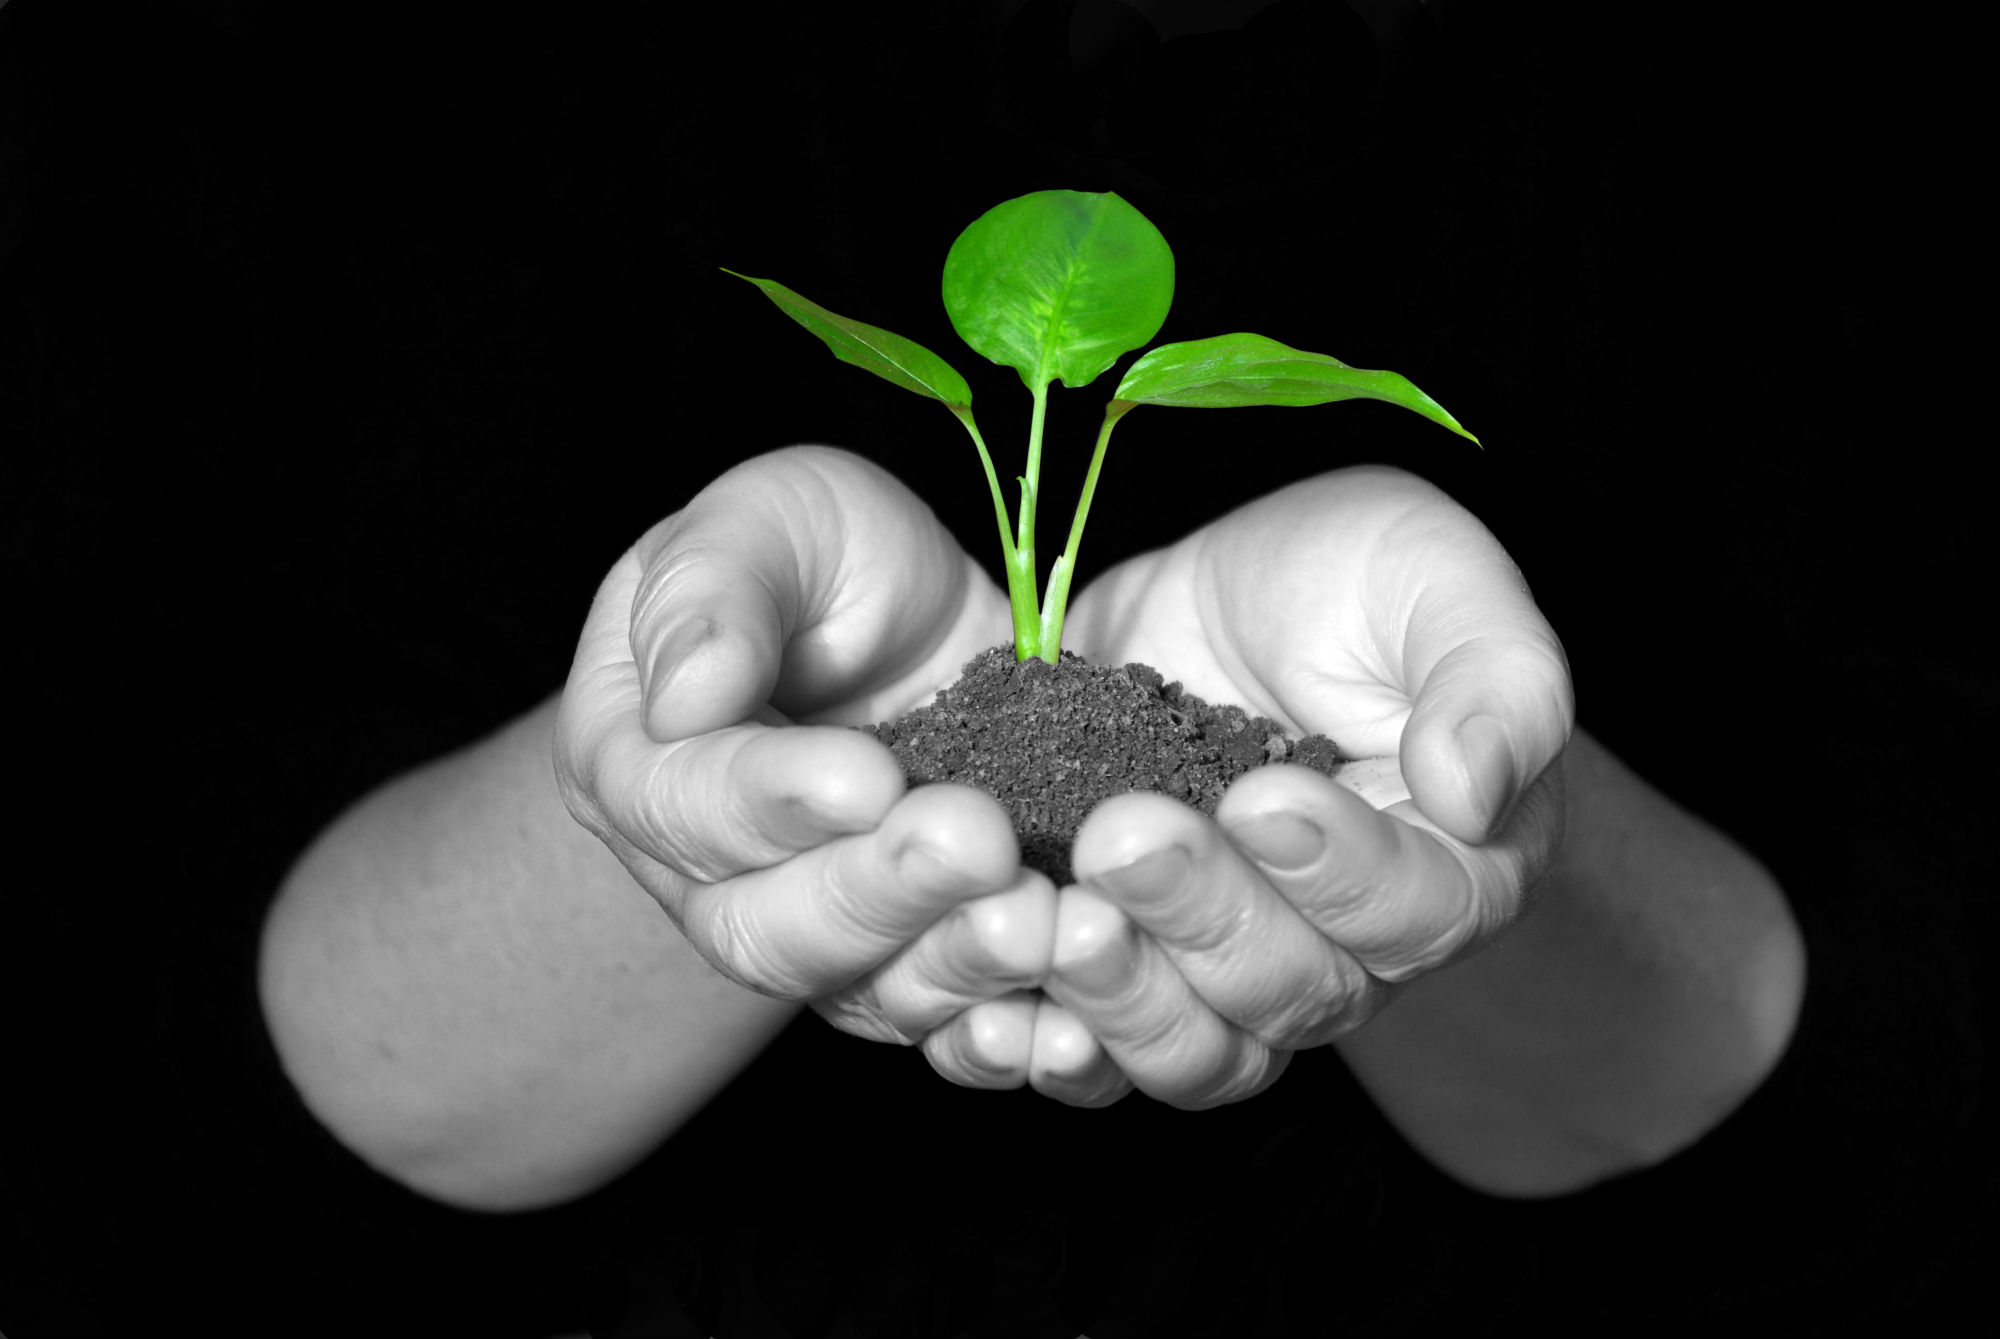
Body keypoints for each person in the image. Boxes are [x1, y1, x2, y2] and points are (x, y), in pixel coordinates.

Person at [3, 1, 1989, 1335]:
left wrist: (1492, 834)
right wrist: (670, 772)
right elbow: (126, 1104)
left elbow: (1896, 1142)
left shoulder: (1773, 90)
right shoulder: (456, 69)